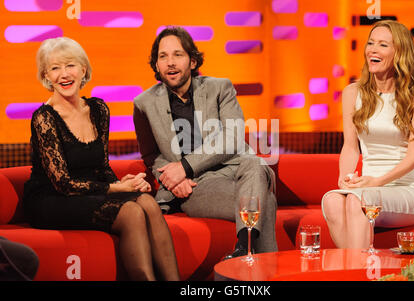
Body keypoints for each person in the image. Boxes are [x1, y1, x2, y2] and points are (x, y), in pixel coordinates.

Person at [23, 37, 179, 281]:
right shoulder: (44, 118)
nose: (64, 74)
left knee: (147, 203)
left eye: (70, 66)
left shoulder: (98, 109)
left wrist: (125, 183)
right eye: (55, 68)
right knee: (131, 212)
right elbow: (63, 183)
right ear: (46, 76)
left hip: (89, 191)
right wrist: (116, 188)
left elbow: (101, 167)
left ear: (83, 69)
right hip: (52, 198)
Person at [133, 26, 278, 258]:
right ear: (156, 65)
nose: (170, 62)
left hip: (234, 168)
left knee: (255, 163)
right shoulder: (144, 103)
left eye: (177, 55)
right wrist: (171, 179)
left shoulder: (220, 88)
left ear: (192, 61)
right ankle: (255, 261)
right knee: (265, 202)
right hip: (197, 185)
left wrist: (184, 166)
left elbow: (232, 137)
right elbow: (151, 155)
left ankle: (243, 251)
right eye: (163, 56)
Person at [321, 20, 414, 249]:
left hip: (408, 188)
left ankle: (355, 275)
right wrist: (345, 178)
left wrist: (377, 182)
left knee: (360, 201)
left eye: (383, 45)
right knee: (333, 200)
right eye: (371, 43)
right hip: (368, 188)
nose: (372, 49)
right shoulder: (352, 93)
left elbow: (413, 156)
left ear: (400, 53)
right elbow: (350, 147)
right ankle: (357, 272)